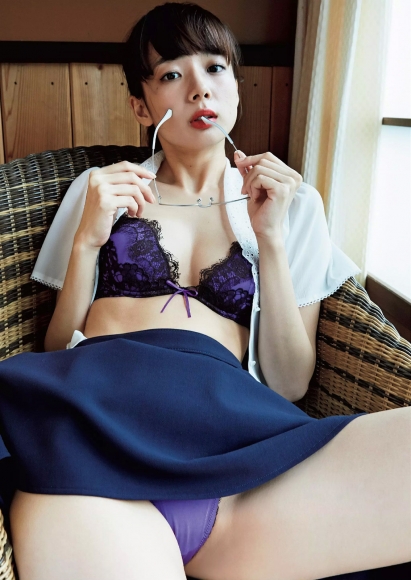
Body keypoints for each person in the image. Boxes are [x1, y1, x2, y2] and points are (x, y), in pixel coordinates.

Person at [0, 3, 409, 580]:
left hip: (243, 459)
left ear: (236, 88)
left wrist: (270, 240)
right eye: (172, 73)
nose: (199, 88)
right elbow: (54, 347)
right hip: (94, 447)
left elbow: (290, 383)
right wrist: (88, 241)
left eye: (216, 68)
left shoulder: (292, 205)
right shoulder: (100, 190)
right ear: (142, 106)